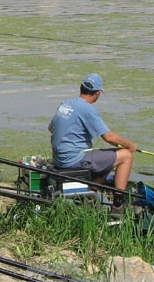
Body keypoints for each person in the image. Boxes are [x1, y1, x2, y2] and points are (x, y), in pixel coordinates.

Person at [48, 73, 136, 212]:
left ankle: (91, 192)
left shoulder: (66, 104)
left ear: (81, 88)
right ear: (97, 93)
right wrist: (130, 145)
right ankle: (118, 204)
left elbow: (51, 129)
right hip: (73, 160)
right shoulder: (87, 109)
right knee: (125, 156)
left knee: (103, 158)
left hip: (60, 159)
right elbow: (109, 137)